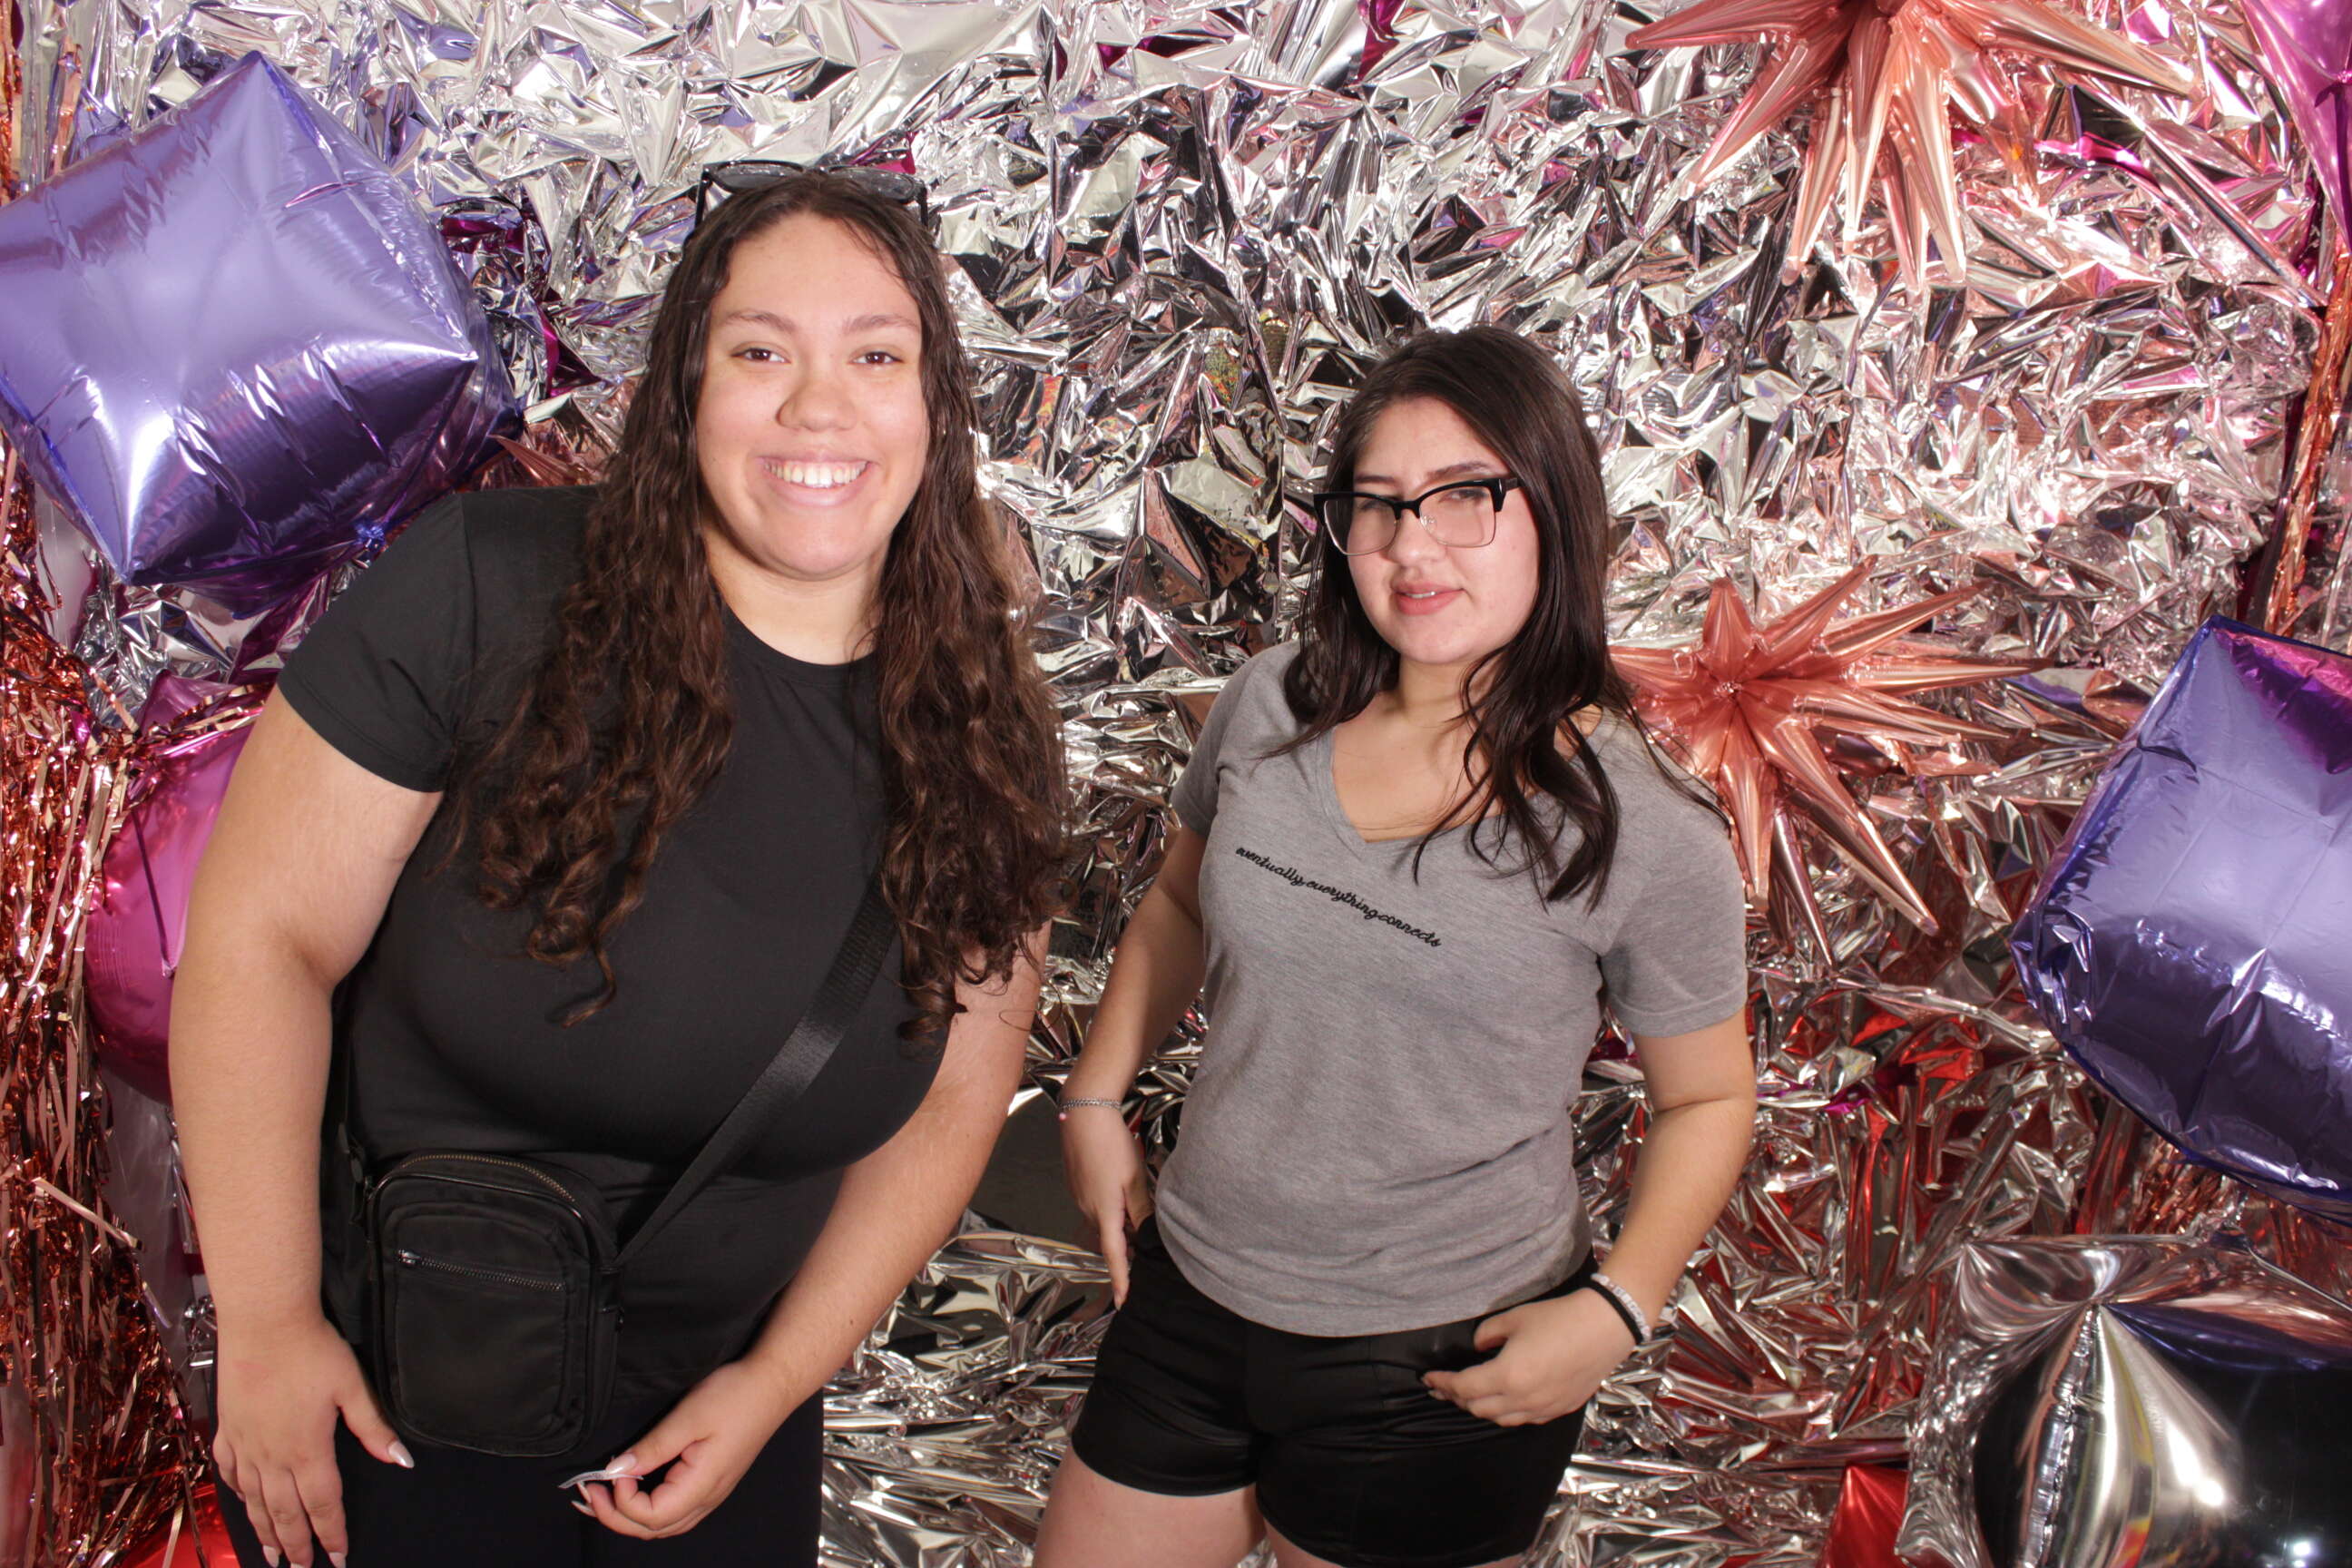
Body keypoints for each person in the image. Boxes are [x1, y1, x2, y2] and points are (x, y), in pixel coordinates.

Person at [172, 171, 1066, 1567]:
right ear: (685, 395)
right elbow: (259, 940)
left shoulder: (983, 722)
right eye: (760, 351)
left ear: (935, 408)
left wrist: (774, 1388)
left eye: (875, 357)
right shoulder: (485, 587)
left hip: (715, 1428)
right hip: (398, 1403)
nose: (819, 407)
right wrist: (270, 1326)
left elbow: (956, 1098)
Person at [1034, 326, 1757, 1568]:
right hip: (1191, 1293)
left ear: (1556, 513)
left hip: (1440, 1361)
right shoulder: (1273, 702)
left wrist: (1617, 1309)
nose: (1412, 547)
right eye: (1377, 505)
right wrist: (1094, 1097)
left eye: (1466, 497)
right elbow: (1180, 904)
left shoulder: (1642, 825)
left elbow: (1708, 1097)